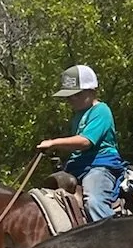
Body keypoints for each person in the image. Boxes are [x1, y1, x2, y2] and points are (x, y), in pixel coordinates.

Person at [37, 65, 124, 221]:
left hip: (99, 165)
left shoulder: (101, 110)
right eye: (68, 96)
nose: (71, 99)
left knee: (94, 202)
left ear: (91, 91)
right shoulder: (78, 115)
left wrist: (53, 143)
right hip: (78, 166)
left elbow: (85, 142)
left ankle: (112, 239)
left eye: (75, 94)